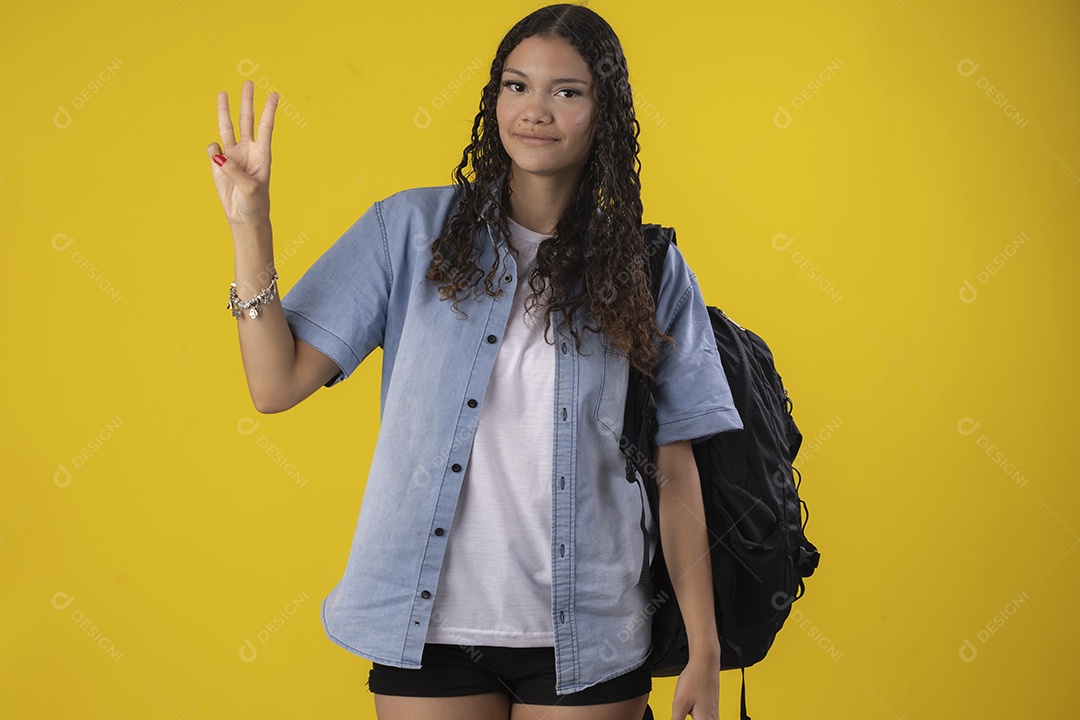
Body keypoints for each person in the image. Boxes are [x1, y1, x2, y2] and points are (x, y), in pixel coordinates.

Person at [206, 4, 742, 719]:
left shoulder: (649, 268)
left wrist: (703, 651)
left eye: (567, 91)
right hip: (427, 630)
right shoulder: (409, 231)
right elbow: (275, 385)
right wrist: (251, 222)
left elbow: (677, 469)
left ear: (605, 111)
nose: (536, 110)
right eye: (516, 86)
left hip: (590, 634)